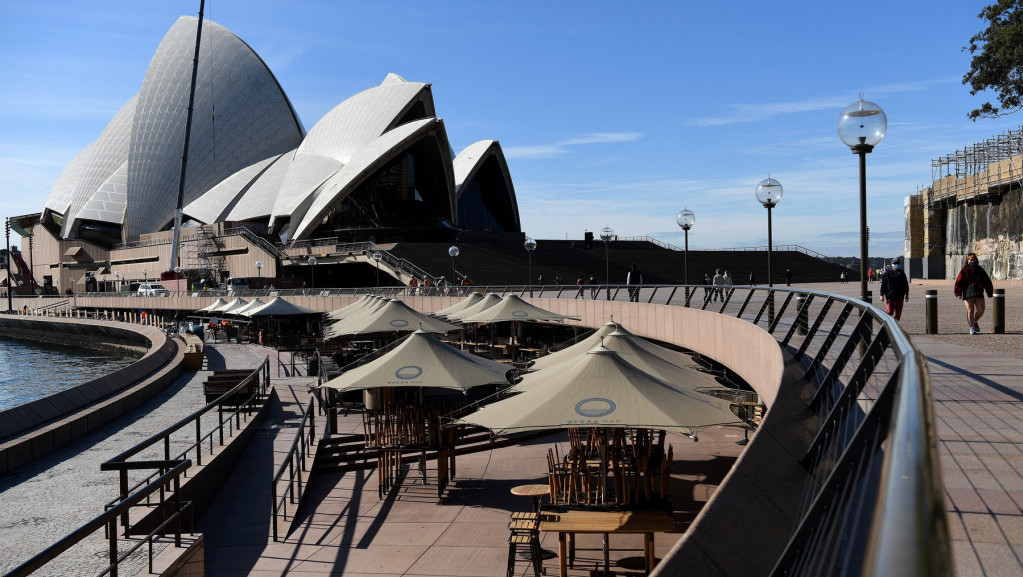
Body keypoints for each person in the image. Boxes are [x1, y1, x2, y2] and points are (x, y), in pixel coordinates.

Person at [953, 252, 994, 334]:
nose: (972, 261)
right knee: (970, 310)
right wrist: (958, 292)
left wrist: (989, 291)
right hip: (968, 292)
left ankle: (975, 321)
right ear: (967, 261)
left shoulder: (980, 270)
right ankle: (972, 328)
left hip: (978, 291)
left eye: (974, 260)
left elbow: (987, 281)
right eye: (970, 260)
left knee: (981, 310)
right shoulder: (964, 270)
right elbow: (959, 282)